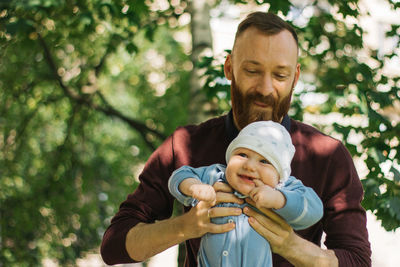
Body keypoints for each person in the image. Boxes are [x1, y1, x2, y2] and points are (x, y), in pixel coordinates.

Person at [101, 12, 371, 267]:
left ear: (295, 78)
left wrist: (290, 245)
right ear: (229, 67)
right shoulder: (185, 145)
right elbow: (114, 246)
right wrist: (185, 226)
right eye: (253, 71)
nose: (265, 89)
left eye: (279, 75)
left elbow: (357, 260)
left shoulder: (327, 155)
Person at [168, 120, 324, 267]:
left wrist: (279, 199)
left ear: (279, 175)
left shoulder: (281, 188)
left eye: (264, 161)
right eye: (242, 155)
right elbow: (180, 175)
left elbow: (314, 209)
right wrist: (193, 187)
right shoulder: (216, 175)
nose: (249, 166)